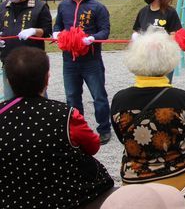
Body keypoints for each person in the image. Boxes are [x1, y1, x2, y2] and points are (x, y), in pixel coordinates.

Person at [0, 47, 114, 208]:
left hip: (11, 195)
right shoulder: (65, 114)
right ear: (47, 79)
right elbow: (93, 146)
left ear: (8, 81)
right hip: (64, 195)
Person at [110, 29, 185, 190]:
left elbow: (122, 138)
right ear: (169, 60)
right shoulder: (181, 99)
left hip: (135, 180)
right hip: (179, 175)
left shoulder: (119, 100)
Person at [53, 0, 112, 144]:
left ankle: (104, 129)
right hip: (68, 60)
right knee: (72, 96)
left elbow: (105, 31)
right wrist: (57, 34)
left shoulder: (98, 7)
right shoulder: (63, 6)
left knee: (98, 95)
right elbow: (57, 26)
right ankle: (77, 129)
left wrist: (92, 38)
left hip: (91, 60)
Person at [1, 0, 52, 100]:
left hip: (33, 63)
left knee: (37, 99)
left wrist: (34, 31)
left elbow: (47, 31)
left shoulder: (39, 7)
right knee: (10, 99)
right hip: (9, 61)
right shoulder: (3, 7)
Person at [132, 0, 182, 82]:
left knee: (163, 88)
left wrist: (161, 43)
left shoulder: (170, 12)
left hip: (164, 59)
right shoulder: (143, 12)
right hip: (145, 58)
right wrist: (136, 38)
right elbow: (137, 31)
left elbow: (175, 34)